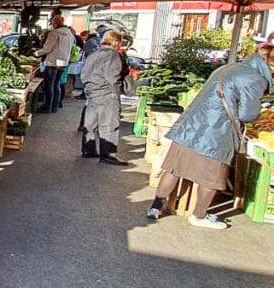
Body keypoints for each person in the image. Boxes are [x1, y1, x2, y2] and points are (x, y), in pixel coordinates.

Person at [147, 46, 274, 229]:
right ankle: (199, 215)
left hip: (191, 125)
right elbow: (248, 114)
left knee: (174, 168)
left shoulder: (226, 68)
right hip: (217, 133)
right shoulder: (255, 79)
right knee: (211, 177)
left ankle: (155, 206)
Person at [80, 31, 127, 166]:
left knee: (90, 124)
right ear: (117, 42)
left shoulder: (94, 54)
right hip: (106, 93)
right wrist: (116, 93)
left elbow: (83, 74)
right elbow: (113, 77)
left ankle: (88, 150)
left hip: (91, 92)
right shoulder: (112, 55)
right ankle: (108, 155)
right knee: (109, 125)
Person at [35, 15, 75, 114]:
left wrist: (36, 53)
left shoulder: (54, 33)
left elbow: (47, 49)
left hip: (53, 62)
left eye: (52, 23)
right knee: (56, 84)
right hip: (64, 62)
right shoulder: (69, 33)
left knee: (49, 85)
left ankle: (48, 106)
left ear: (55, 23)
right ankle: (55, 106)